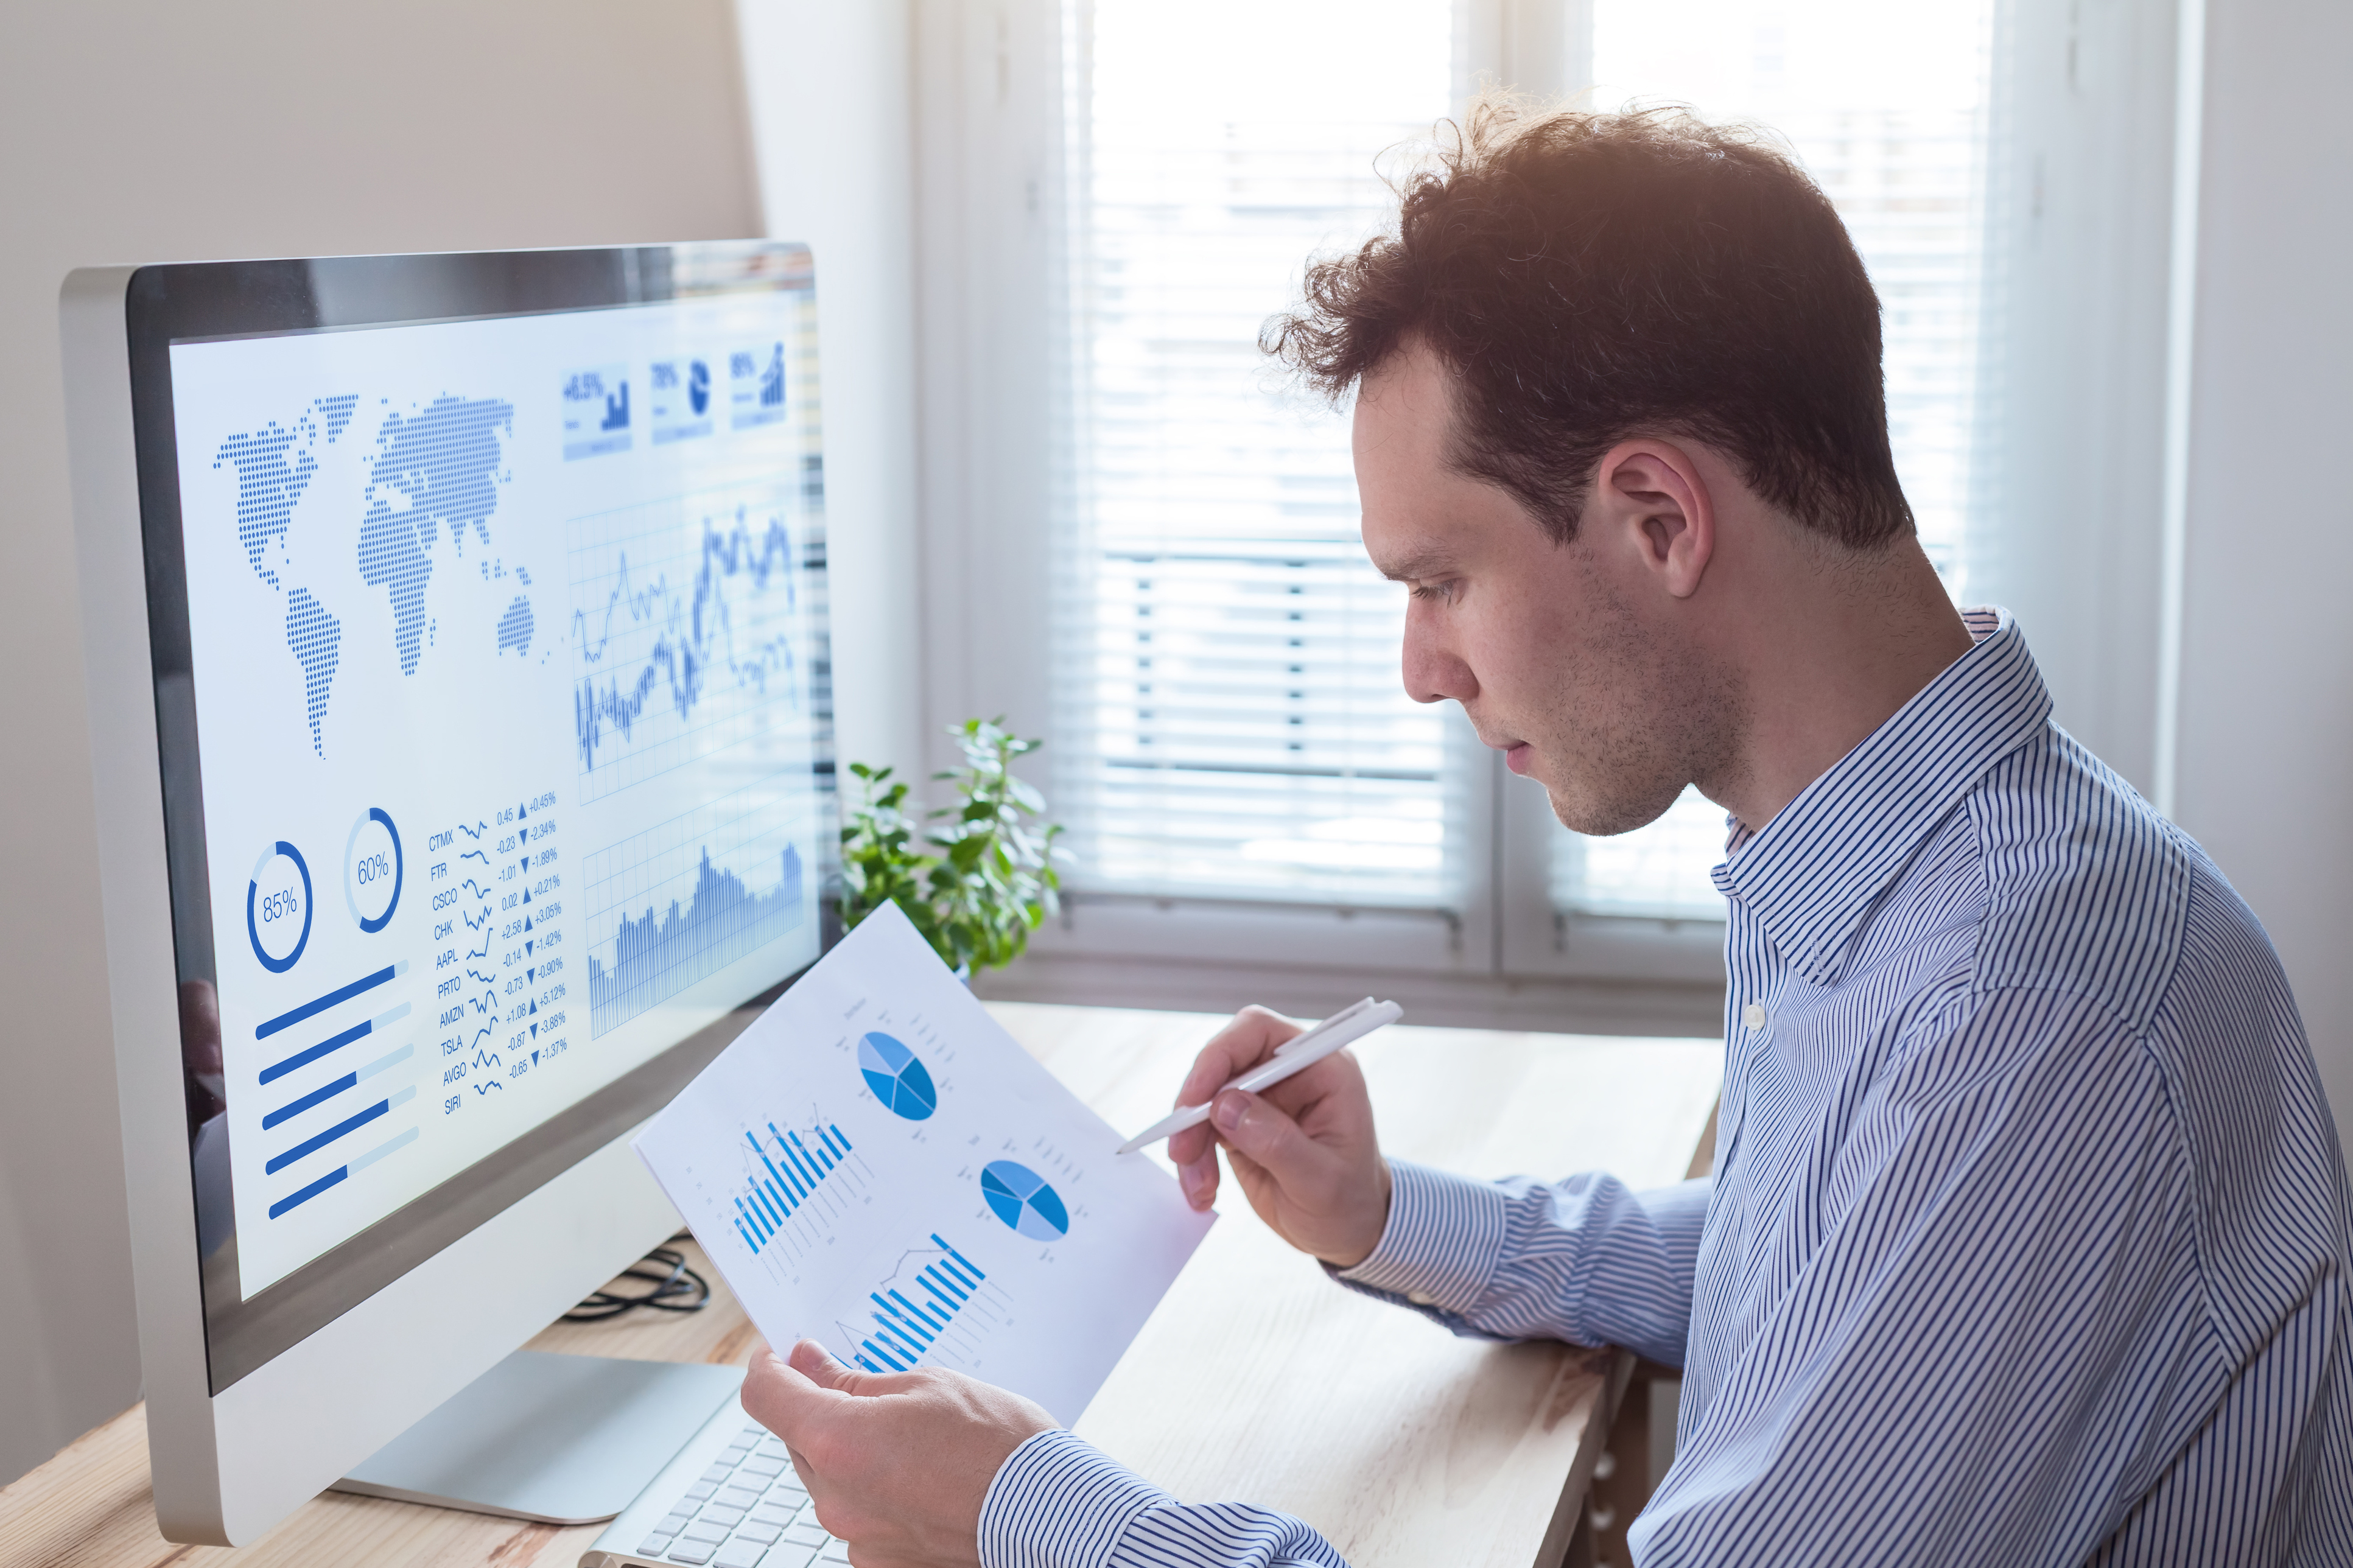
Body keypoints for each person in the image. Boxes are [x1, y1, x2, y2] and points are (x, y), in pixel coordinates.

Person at [740, 100, 2353, 1566]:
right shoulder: (1915, 869)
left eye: (1440, 581)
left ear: (1657, 521)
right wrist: (1390, 1217)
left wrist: (1035, 1513)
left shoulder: (2024, 1011)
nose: (1419, 669)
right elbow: (1811, 1278)